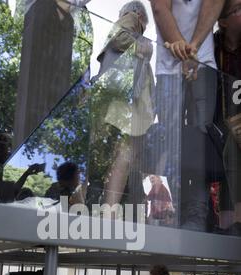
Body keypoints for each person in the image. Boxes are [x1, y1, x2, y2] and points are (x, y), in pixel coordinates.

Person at [150, 0, 226, 230]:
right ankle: (168, 214)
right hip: (169, 68)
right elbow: (159, 7)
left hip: (202, 64)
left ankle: (196, 215)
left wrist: (192, 47)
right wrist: (186, 50)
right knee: (169, 143)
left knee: (199, 143)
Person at [94, 1, 155, 210]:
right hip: (123, 107)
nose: (145, 28)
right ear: (140, 16)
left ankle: (105, 214)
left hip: (122, 107)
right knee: (121, 160)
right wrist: (142, 48)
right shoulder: (132, 17)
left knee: (116, 162)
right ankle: (108, 216)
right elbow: (119, 36)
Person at [214, 0, 241, 235]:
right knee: (222, 164)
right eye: (238, 9)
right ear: (222, 21)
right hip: (219, 120)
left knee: (233, 154)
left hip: (238, 120)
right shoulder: (213, 46)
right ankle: (226, 224)